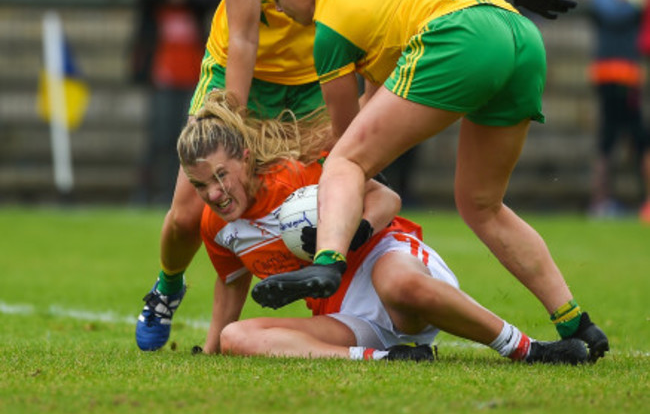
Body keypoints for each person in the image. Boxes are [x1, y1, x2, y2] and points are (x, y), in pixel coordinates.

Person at [135, 0, 580, 351]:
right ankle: (168, 287)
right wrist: (232, 121)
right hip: (241, 72)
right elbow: (244, 36)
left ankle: (365, 303)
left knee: (344, 187)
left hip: (322, 72)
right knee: (186, 211)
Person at [249, 0, 609, 362]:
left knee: (345, 161)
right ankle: (576, 323)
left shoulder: (329, 28)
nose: (278, 9)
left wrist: (336, 225)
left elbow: (347, 141)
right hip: (517, 34)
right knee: (482, 205)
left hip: (459, 37)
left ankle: (327, 262)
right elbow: (374, 100)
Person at [179, 90, 589, 365]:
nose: (214, 193)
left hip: (387, 259)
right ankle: (385, 358)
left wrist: (346, 237)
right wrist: (215, 348)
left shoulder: (299, 174)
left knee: (399, 287)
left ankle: (527, 349)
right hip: (345, 318)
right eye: (200, 185)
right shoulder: (217, 227)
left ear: (246, 159)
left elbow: (387, 200)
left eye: (220, 176)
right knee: (239, 338)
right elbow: (230, 284)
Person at [130, 0, 223, 205]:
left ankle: (175, 195)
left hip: (193, 70)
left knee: (187, 136)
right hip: (162, 70)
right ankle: (147, 192)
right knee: (159, 134)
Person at [589, 0, 650, 222]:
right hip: (612, 70)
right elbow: (612, 15)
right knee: (617, 136)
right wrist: (639, 4)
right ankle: (602, 200)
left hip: (627, 69)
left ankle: (612, 200)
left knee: (623, 137)